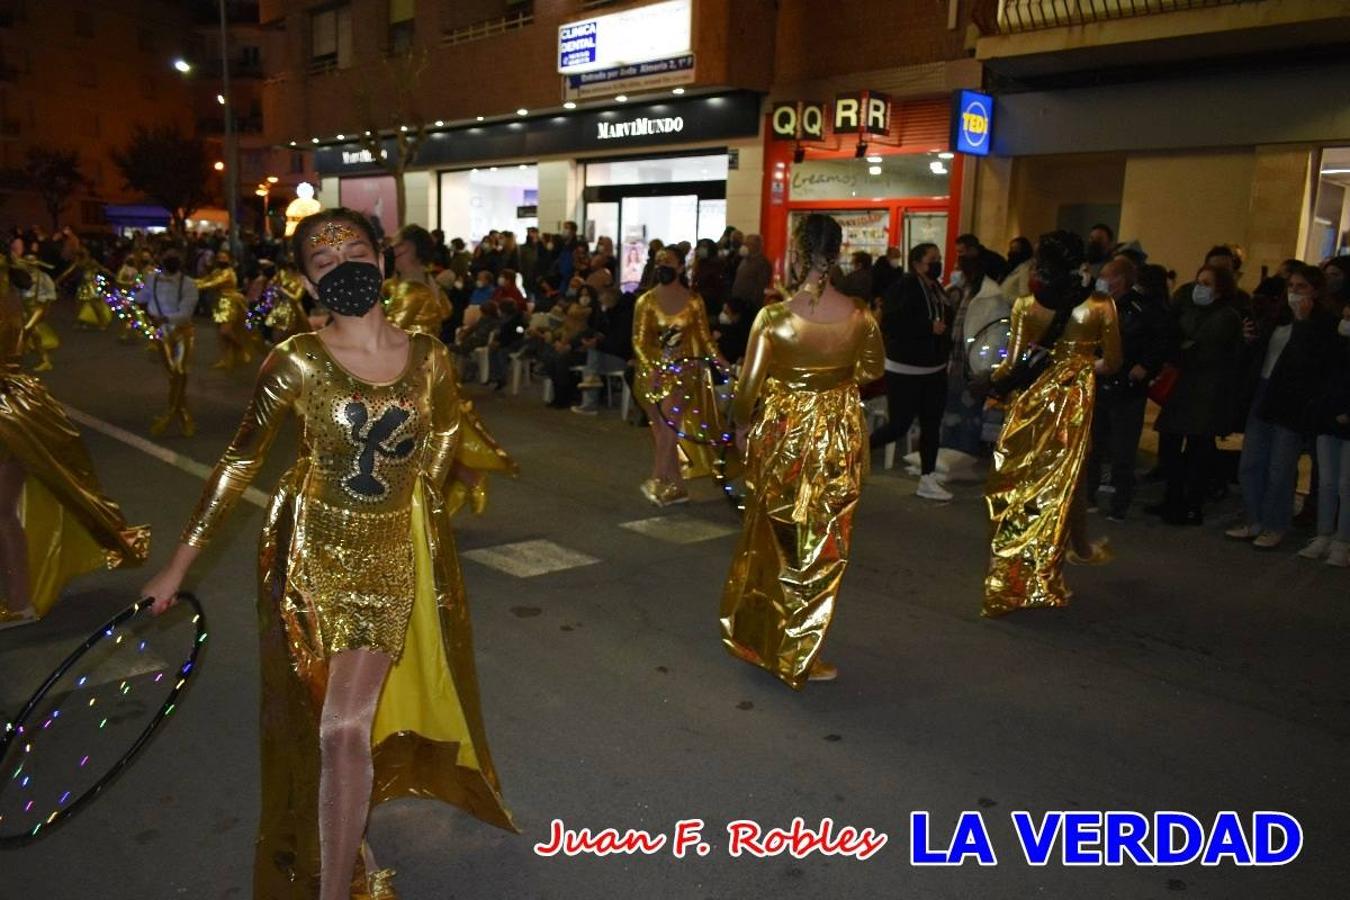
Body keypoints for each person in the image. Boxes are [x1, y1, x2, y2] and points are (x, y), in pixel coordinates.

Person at [139, 209, 517, 899]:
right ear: (307, 281)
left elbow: (443, 437)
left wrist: (416, 512)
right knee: (321, 718)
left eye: (353, 249)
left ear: (382, 258)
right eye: (322, 257)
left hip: (386, 557)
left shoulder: (429, 356)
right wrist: (178, 565)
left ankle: (335, 882)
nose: (341, 264)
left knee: (345, 725)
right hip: (304, 549)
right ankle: (349, 847)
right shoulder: (297, 360)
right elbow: (238, 461)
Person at [720, 213, 885, 688]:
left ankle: (763, 637)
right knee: (823, 543)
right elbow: (872, 371)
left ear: (795, 253)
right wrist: (832, 382)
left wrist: (745, 424)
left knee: (774, 537)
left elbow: (747, 390)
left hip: (784, 436)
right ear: (836, 254)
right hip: (836, 436)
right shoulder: (860, 314)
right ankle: (801, 649)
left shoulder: (773, 317)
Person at [0, 247, 149, 628]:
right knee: (9, 509)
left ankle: (20, 602)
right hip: (20, 401)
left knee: (4, 512)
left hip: (8, 407)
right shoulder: (10, 290)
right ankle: (21, 596)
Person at [982, 230, 1122, 618]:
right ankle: (1047, 573)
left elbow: (1012, 365)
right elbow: (1112, 362)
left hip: (1031, 403)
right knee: (1060, 485)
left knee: (1022, 486)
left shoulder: (1026, 305)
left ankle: (1012, 573)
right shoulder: (1099, 305)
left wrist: (995, 385)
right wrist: (1079, 368)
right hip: (1073, 404)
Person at [1226, 264, 1337, 549]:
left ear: (1315, 291)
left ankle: (1275, 524)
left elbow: (1311, 363)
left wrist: (1303, 323)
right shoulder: (1278, 317)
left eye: (1302, 287)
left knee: (1280, 468)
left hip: (1292, 400)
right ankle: (1254, 519)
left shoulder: (1322, 323)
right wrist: (1250, 340)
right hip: (1264, 391)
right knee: (1251, 462)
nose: (1295, 293)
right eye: (1291, 287)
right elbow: (1263, 352)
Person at [1153, 265, 1246, 525]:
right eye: (1198, 282)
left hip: (1207, 392)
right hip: (1185, 389)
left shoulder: (1226, 317)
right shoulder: (1192, 312)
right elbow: (1177, 340)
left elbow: (1203, 349)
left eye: (1207, 283)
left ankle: (1192, 503)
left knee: (1197, 450)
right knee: (1171, 444)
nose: (1199, 288)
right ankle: (1172, 498)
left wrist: (1183, 348)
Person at [632, 247, 724, 506]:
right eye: (659, 262)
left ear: (681, 267)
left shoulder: (694, 301)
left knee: (670, 424)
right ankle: (678, 486)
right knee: (661, 431)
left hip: (683, 371)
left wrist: (723, 363)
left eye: (668, 262)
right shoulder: (646, 301)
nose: (663, 266)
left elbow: (706, 339)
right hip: (651, 374)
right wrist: (653, 368)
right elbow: (638, 341)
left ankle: (658, 478)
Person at [1086, 255, 1169, 520]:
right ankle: (1088, 495)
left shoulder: (1141, 308)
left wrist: (1146, 366)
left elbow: (1162, 340)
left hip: (1127, 388)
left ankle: (1120, 503)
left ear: (1120, 279)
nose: (1103, 280)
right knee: (1094, 445)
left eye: (1108, 276)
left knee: (1123, 449)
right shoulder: (1099, 305)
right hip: (1101, 382)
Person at [869, 242, 953, 501]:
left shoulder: (936, 287)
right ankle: (858, 451)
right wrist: (927, 327)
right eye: (932, 259)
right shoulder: (905, 286)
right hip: (906, 369)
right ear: (917, 263)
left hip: (934, 368)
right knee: (899, 425)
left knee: (931, 424)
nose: (937, 264)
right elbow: (893, 321)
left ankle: (927, 477)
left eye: (939, 258)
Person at [1301, 303, 1350, 566]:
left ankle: (1343, 540)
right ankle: (1324, 534)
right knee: (1328, 482)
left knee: (1346, 484)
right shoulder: (1334, 344)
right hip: (1326, 420)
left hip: (1345, 422)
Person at [137, 250, 201, 437]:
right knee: (173, 375)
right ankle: (181, 412)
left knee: (180, 371)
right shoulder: (152, 279)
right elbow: (142, 296)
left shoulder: (189, 284)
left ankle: (172, 413)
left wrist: (165, 318)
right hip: (161, 333)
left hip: (182, 332)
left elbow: (186, 314)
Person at [572, 287, 634, 416]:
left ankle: (589, 404)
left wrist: (598, 344)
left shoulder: (624, 316)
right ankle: (591, 386)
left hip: (622, 358)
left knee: (593, 355)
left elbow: (619, 343)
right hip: (613, 354)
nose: (599, 300)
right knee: (593, 356)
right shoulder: (611, 313)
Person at [384, 224, 452, 336]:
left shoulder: (412, 291)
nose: (392, 249)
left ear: (409, 248)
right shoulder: (429, 284)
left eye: (398, 244)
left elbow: (387, 333)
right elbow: (445, 311)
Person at [198, 250, 254, 370]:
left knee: (225, 331)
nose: (221, 260)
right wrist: (189, 282)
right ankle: (225, 359)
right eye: (219, 257)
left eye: (224, 258)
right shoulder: (217, 271)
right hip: (218, 303)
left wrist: (195, 286)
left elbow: (212, 283)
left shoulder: (228, 273)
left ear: (229, 259)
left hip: (230, 303)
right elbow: (206, 280)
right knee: (220, 334)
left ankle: (241, 347)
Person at [16, 253, 58, 371]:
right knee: (29, 333)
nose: (30, 266)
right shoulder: (22, 277)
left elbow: (51, 295)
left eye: (32, 264)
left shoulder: (44, 277)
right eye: (27, 264)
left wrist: (45, 310)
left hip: (37, 308)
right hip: (25, 307)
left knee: (30, 330)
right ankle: (22, 359)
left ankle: (44, 360)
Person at [730, 233, 772, 312]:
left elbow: (761, 287)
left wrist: (750, 305)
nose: (744, 246)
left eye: (748, 244)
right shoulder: (744, 260)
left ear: (756, 246)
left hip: (749, 307)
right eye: (744, 244)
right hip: (738, 303)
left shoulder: (762, 263)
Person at [1001, 236, 1033, 304]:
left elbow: (1024, 295)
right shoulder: (1013, 266)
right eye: (1011, 248)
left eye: (1015, 249)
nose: (1011, 252)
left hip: (1012, 308)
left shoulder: (1026, 268)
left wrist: (1006, 299)